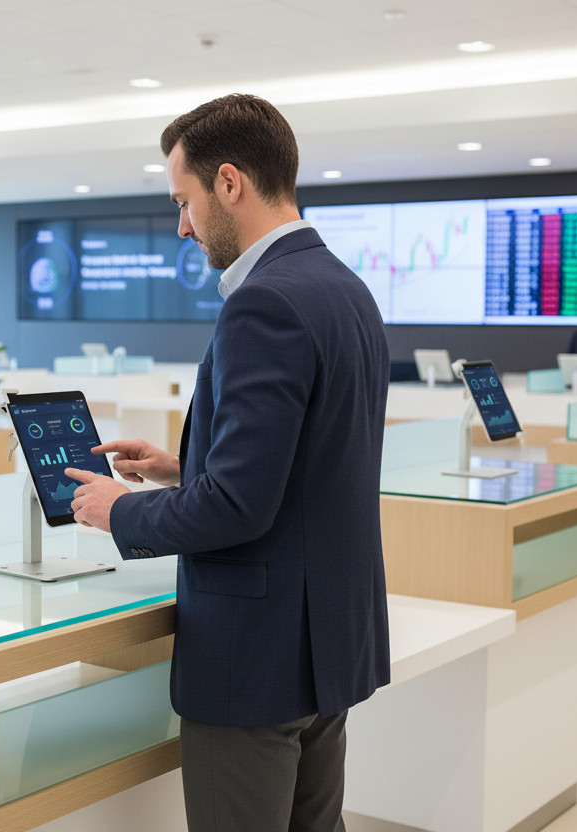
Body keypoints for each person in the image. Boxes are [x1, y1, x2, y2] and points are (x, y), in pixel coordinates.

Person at [65, 94, 390, 832]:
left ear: (231, 183)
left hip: (258, 657)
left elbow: (240, 509)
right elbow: (313, 463)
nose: (182, 225)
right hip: (325, 645)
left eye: (185, 201)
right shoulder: (345, 288)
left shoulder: (263, 303)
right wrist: (188, 467)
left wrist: (119, 509)